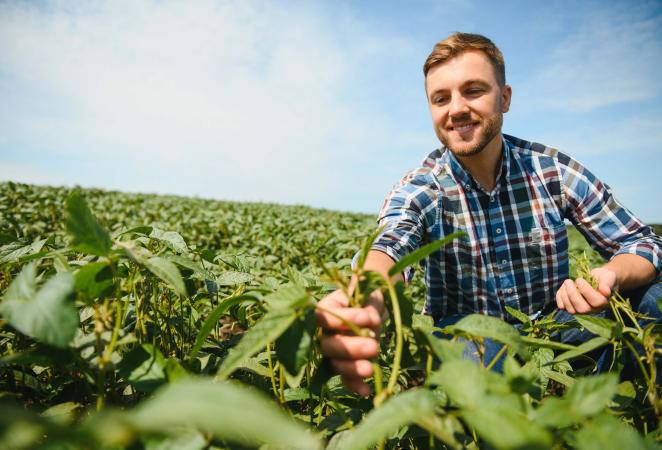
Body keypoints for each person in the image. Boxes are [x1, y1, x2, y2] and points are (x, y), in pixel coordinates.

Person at [315, 32, 662, 396]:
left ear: (505, 98)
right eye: (440, 98)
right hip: (470, 339)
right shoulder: (423, 187)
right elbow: (390, 246)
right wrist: (364, 299)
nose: (457, 109)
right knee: (477, 358)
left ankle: (608, 401)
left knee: (654, 299)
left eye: (473, 90)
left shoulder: (551, 171)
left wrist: (610, 276)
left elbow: (641, 241)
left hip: (558, 331)